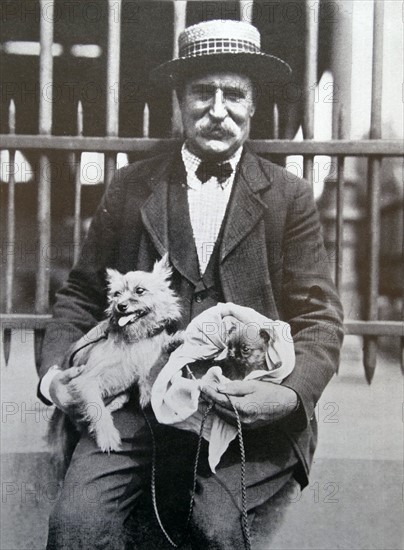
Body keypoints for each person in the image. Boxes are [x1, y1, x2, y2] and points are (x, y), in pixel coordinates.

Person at [38, 19, 343, 550]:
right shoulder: (131, 186)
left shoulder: (288, 196)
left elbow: (319, 317)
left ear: (253, 105)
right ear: (179, 101)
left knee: (215, 531)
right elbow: (83, 293)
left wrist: (287, 396)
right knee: (76, 529)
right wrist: (53, 380)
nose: (218, 109)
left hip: (243, 410)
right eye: (203, 93)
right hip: (135, 405)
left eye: (235, 95)